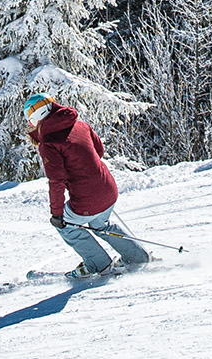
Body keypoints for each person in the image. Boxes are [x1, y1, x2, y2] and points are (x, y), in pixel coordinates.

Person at [26, 89, 150, 276]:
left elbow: (56, 181)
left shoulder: (49, 143)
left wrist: (57, 214)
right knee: (101, 224)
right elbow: (98, 151)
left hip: (87, 199)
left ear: (35, 117)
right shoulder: (80, 125)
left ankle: (99, 265)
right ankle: (138, 258)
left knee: (66, 225)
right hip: (108, 188)